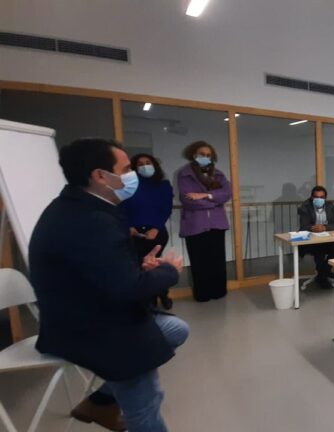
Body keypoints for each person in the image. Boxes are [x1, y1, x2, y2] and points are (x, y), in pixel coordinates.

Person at [29, 138, 187, 432]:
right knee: (147, 400)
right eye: (126, 169)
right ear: (100, 176)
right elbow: (128, 289)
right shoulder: (91, 222)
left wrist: (141, 269)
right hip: (91, 329)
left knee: (176, 329)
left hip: (88, 315)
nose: (133, 175)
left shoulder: (78, 208)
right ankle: (132, 409)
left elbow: (105, 274)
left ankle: (100, 402)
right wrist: (169, 271)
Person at [177, 141, 232, 302]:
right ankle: (202, 294)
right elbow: (188, 200)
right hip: (195, 225)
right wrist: (214, 202)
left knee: (217, 260)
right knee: (199, 261)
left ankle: (219, 291)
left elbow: (226, 193)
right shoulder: (185, 174)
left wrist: (205, 195)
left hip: (217, 224)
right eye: (202, 154)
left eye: (209, 155)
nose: (205, 157)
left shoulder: (218, 174)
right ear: (194, 155)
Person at [121, 153, 174, 309]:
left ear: (154, 165)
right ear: (134, 168)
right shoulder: (128, 185)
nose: (145, 166)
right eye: (140, 164)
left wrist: (156, 227)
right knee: (139, 267)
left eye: (148, 162)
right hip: (134, 233)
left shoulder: (163, 185)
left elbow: (166, 208)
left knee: (156, 265)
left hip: (157, 232)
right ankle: (148, 299)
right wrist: (129, 226)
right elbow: (121, 207)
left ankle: (163, 294)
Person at [298, 185, 334, 289]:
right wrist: (314, 228)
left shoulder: (330, 206)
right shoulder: (305, 208)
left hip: (326, 238)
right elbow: (304, 226)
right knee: (319, 250)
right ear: (312, 197)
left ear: (325, 198)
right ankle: (323, 276)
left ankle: (323, 273)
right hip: (311, 241)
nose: (319, 199)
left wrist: (325, 227)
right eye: (316, 197)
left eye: (321, 197)